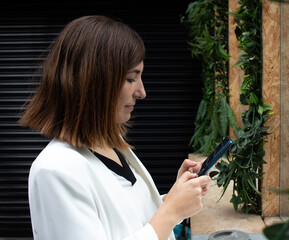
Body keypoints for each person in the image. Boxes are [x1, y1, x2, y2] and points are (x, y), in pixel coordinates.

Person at [19, 15, 210, 240]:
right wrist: (170, 212)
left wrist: (176, 199)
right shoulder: (54, 171)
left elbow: (128, 220)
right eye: (131, 78)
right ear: (95, 82)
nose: (142, 92)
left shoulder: (109, 143)